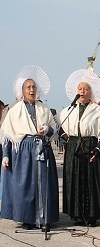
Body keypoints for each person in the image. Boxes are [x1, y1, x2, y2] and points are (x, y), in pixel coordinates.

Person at [1, 65, 59, 230]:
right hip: (23, 152)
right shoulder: (14, 110)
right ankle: (27, 218)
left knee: (44, 185)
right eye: (28, 87)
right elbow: (7, 135)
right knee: (25, 185)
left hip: (42, 150)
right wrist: (6, 155)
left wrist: (47, 130)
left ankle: (44, 217)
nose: (32, 89)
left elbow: (54, 129)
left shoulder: (44, 108)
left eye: (34, 87)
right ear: (23, 90)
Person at [59, 69, 100, 227]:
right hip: (74, 148)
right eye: (80, 89)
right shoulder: (68, 110)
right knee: (74, 180)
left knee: (90, 181)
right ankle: (76, 215)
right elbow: (61, 129)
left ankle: (91, 215)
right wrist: (67, 138)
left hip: (90, 147)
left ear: (90, 92)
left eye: (86, 89)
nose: (82, 91)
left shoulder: (98, 110)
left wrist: (98, 149)